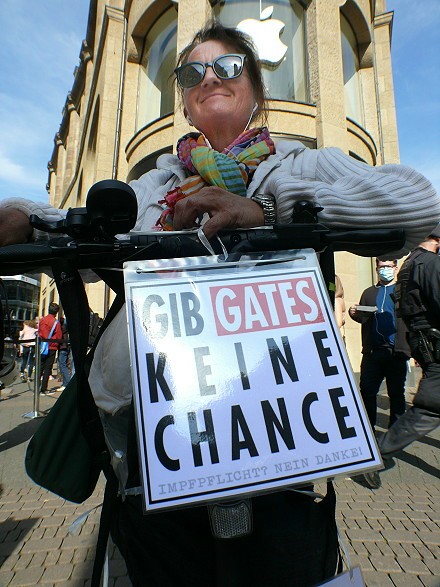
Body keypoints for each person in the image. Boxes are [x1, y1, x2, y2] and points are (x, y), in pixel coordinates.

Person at [0, 21, 439, 587]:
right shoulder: (157, 185)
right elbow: (83, 230)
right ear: (185, 103)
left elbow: (416, 205)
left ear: (255, 89)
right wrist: (25, 217)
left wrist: (271, 211)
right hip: (157, 428)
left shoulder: (299, 163)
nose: (209, 77)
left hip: (276, 424)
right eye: (191, 73)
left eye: (228, 66)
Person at [348, 259, 410, 488]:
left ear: (395, 268)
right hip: (373, 352)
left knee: (396, 393)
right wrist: (354, 312)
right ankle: (369, 430)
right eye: (381, 266)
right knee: (367, 391)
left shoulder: (401, 291)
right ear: (376, 269)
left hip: (396, 352)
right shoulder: (369, 293)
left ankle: (396, 433)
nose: (384, 270)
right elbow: (363, 318)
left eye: (388, 266)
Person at [379, 228, 440, 460]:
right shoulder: (430, 263)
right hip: (433, 341)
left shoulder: (409, 264)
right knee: (430, 407)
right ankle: (377, 454)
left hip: (423, 339)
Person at [38, 303, 62, 395]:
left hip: (42, 346)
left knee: (40, 367)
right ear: (56, 312)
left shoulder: (42, 320)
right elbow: (58, 336)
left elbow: (40, 332)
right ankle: (43, 388)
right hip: (51, 346)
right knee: (48, 369)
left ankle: (37, 386)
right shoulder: (56, 322)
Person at [57, 316, 71, 392]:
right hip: (65, 346)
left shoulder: (62, 328)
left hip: (63, 347)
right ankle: (65, 383)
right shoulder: (66, 328)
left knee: (62, 365)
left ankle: (67, 383)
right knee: (63, 365)